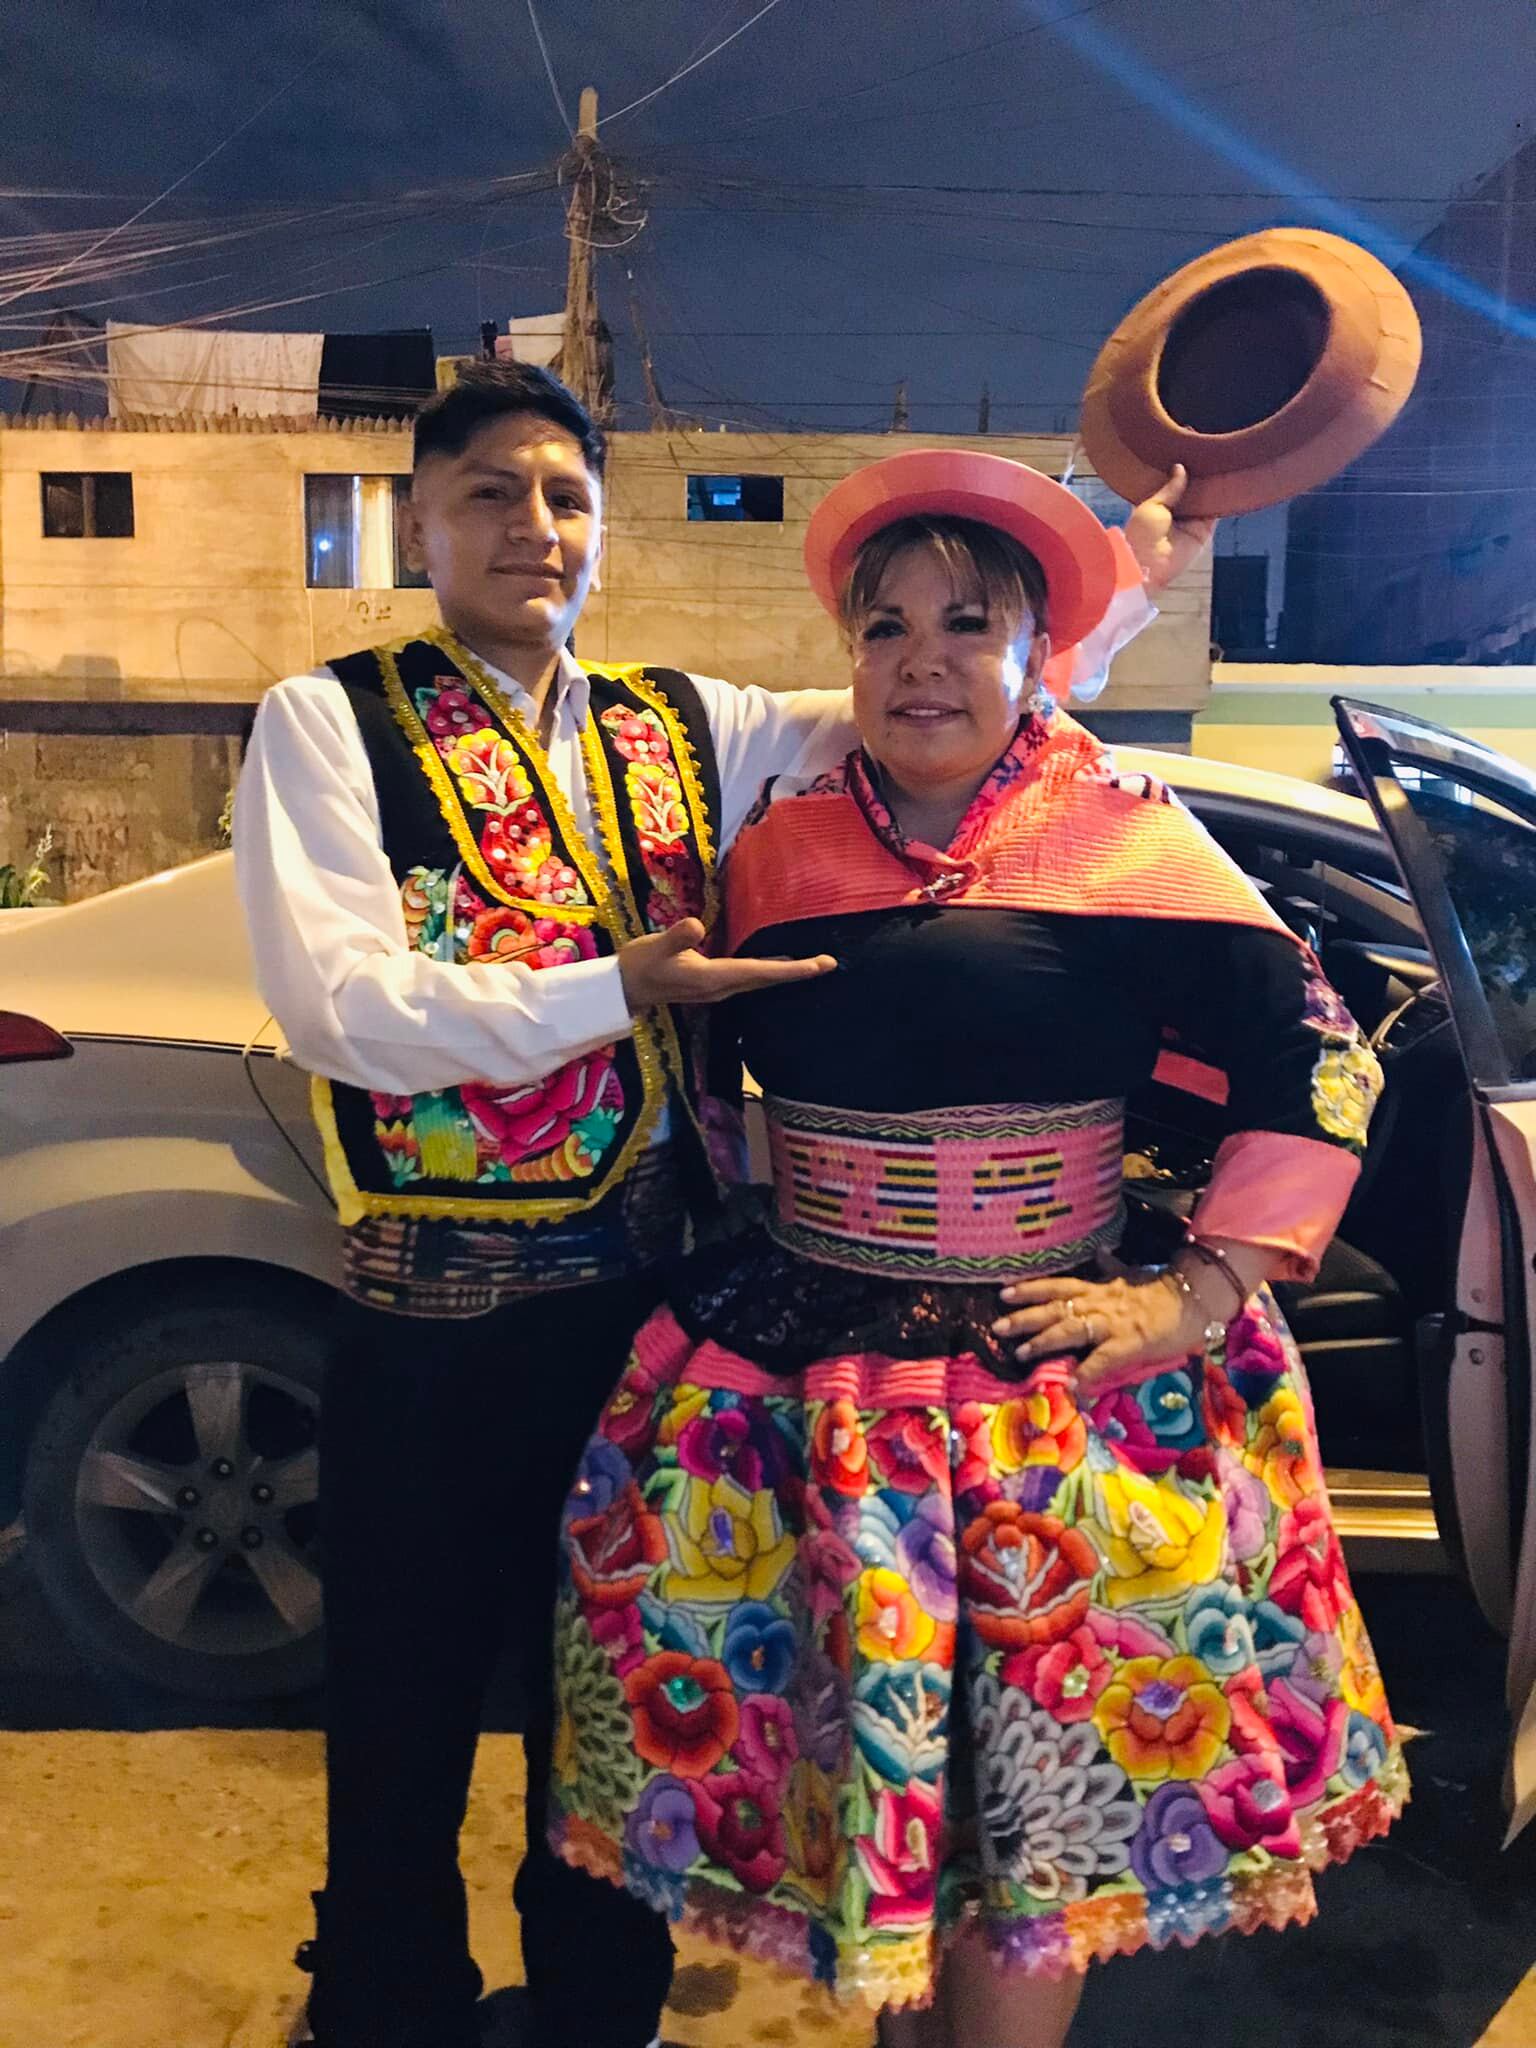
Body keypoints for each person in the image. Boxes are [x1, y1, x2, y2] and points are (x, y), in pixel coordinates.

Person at [233, 369, 1183, 2048]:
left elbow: (921, 711)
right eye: (491, 497)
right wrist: (623, 984)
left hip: (648, 1325)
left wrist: (1103, 594)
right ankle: (384, 2005)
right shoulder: (334, 718)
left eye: (565, 498)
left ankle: (596, 2013)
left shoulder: (683, 723)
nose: (535, 529)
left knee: (611, 1707)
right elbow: (340, 1006)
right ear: (421, 523)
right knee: (402, 1706)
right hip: (436, 1312)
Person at [546, 448, 1405, 2048]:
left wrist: (1195, 1290)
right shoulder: (779, 858)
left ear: (1034, 662)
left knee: (1026, 1850)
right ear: (850, 662)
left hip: (1045, 1408)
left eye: (967, 624)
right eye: (883, 628)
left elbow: (1320, 1050)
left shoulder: (1131, 841)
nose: (921, 659)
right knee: (884, 1825)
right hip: (808, 1400)